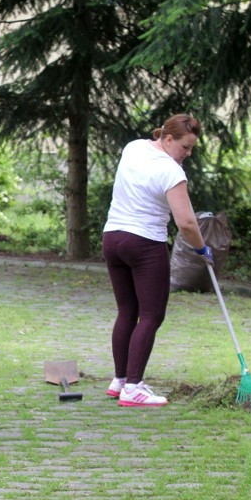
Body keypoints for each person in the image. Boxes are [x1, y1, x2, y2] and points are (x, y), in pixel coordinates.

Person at [102, 114, 213, 407]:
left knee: (127, 310)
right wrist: (202, 250)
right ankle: (134, 387)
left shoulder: (133, 147)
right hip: (144, 244)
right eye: (185, 147)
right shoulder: (171, 171)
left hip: (112, 239)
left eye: (191, 149)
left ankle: (120, 380)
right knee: (151, 315)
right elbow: (187, 223)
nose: (188, 154)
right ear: (167, 140)